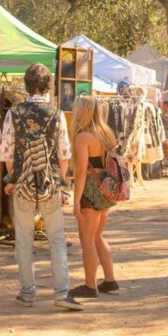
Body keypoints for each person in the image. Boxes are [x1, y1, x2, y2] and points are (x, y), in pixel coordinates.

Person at [0, 63, 83, 311]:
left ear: (26, 85)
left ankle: (27, 293)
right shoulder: (57, 114)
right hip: (49, 184)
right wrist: (60, 182)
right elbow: (64, 153)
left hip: (23, 184)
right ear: (48, 86)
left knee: (24, 240)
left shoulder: (13, 113)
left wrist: (14, 179)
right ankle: (61, 293)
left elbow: (7, 153)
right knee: (56, 239)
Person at [69, 96, 120, 299]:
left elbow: (81, 171)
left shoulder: (83, 137)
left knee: (87, 240)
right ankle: (110, 280)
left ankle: (90, 285)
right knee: (97, 236)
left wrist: (75, 201)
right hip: (107, 188)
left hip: (90, 189)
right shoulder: (107, 134)